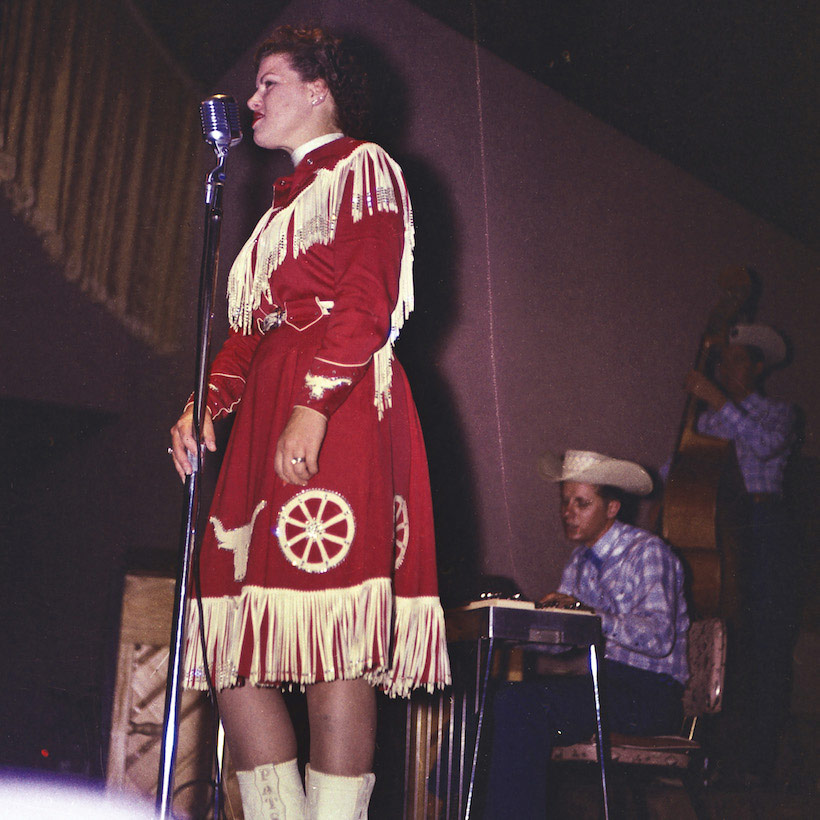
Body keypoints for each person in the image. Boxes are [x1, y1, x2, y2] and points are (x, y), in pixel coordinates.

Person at [168, 26, 450, 820]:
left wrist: (312, 407)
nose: (252, 102)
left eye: (269, 84)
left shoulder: (364, 169)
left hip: (338, 406)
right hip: (270, 410)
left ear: (319, 91)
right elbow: (249, 332)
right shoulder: (280, 206)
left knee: (332, 638)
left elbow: (366, 302)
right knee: (234, 646)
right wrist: (204, 404)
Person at [486, 450, 689, 818]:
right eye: (564, 502)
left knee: (521, 704)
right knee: (492, 700)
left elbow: (659, 636)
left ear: (611, 508)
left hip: (650, 694)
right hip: (606, 687)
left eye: (581, 503)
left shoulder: (647, 552)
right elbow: (564, 641)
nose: (568, 512)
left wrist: (588, 614)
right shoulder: (579, 562)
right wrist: (512, 627)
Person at [684, 322, 798, 779]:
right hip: (720, 529)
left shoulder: (781, 412)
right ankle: (708, 753)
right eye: (721, 361)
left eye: (734, 361)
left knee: (764, 641)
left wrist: (716, 399)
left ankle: (760, 759)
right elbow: (687, 468)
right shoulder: (708, 420)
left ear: (756, 366)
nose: (725, 369)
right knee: (716, 638)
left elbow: (768, 446)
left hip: (765, 526)